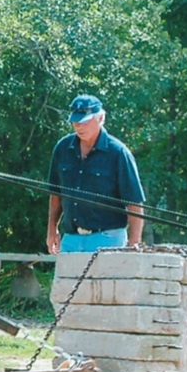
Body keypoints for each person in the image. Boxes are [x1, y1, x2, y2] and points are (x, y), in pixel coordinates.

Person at [46, 94, 145, 254]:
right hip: (71, 239)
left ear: (100, 118)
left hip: (109, 239)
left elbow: (134, 201)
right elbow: (56, 194)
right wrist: (52, 230)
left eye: (85, 121)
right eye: (75, 121)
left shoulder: (118, 153)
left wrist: (133, 243)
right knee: (64, 280)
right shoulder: (62, 149)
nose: (79, 126)